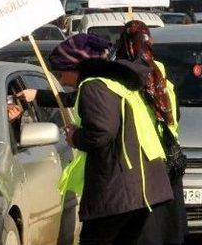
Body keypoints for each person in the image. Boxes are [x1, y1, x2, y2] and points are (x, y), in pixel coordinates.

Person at [18, 33, 172, 245]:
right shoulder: (115, 82)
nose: (60, 79)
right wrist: (39, 96)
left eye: (61, 72)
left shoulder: (93, 86)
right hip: (141, 186)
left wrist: (75, 137)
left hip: (117, 189)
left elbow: (101, 132)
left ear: (76, 67)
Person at [114, 21, 187, 245]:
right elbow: (174, 114)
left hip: (144, 161)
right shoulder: (160, 72)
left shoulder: (124, 75)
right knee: (169, 227)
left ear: (125, 44)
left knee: (147, 230)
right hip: (169, 157)